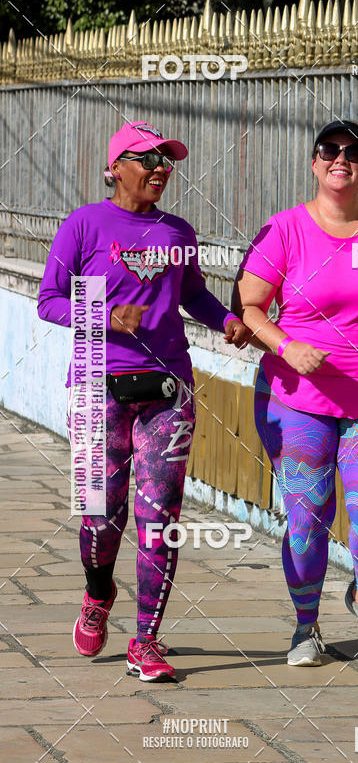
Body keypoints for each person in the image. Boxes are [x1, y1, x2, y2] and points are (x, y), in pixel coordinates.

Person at [38, 120, 249, 682]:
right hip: (96, 383)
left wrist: (226, 321)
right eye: (148, 158)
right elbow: (49, 300)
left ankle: (146, 641)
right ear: (116, 167)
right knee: (101, 514)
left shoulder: (177, 231)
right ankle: (97, 593)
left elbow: (193, 293)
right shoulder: (84, 225)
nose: (161, 169)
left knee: (161, 514)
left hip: (167, 388)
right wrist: (104, 315)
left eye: (166, 160)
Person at [233, 120, 358, 666]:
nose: (341, 158)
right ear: (315, 162)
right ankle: (306, 628)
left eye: (353, 151)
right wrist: (286, 345)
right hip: (297, 399)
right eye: (330, 150)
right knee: (308, 517)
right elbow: (249, 306)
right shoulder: (286, 229)